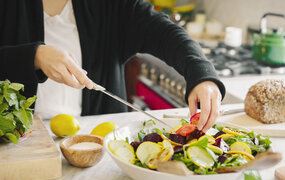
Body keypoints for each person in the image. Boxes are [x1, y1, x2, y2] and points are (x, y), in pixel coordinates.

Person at [0, 0, 225, 132]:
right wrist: (34, 56)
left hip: (100, 143)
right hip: (16, 142)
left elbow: (165, 33)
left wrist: (202, 75)